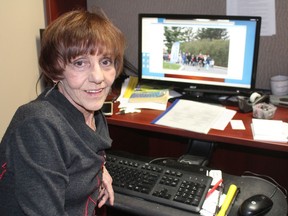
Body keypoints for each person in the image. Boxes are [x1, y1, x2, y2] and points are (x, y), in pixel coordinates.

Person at [0, 9, 125, 216]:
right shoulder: (38, 126)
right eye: (80, 63)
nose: (98, 77)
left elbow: (78, 153)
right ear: (56, 69)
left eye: (105, 62)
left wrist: (100, 170)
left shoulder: (90, 110)